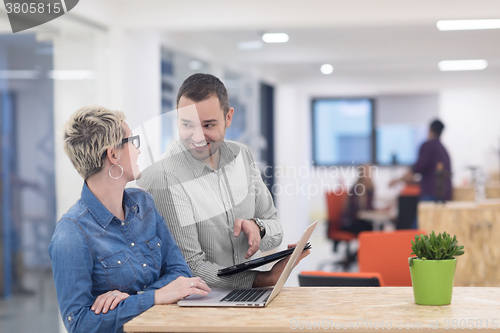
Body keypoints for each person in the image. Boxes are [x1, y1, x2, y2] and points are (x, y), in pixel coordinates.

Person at [49, 105, 210, 333]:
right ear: (113, 155)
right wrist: (157, 296)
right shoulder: (71, 233)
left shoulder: (143, 204)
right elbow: (79, 324)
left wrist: (135, 299)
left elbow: (180, 272)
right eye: (132, 141)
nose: (138, 150)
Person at [140, 73, 309, 288]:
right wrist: (264, 279)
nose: (198, 137)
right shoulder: (165, 176)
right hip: (201, 304)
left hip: (244, 299)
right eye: (187, 124)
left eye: (208, 125)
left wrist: (258, 227)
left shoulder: (242, 156)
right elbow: (191, 267)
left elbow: (275, 229)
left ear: (228, 117)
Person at [389, 119, 452, 226]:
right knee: (437, 227)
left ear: (430, 130)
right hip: (445, 194)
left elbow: (416, 169)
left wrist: (397, 180)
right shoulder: (443, 149)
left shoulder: (427, 146)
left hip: (431, 194)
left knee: (419, 229)